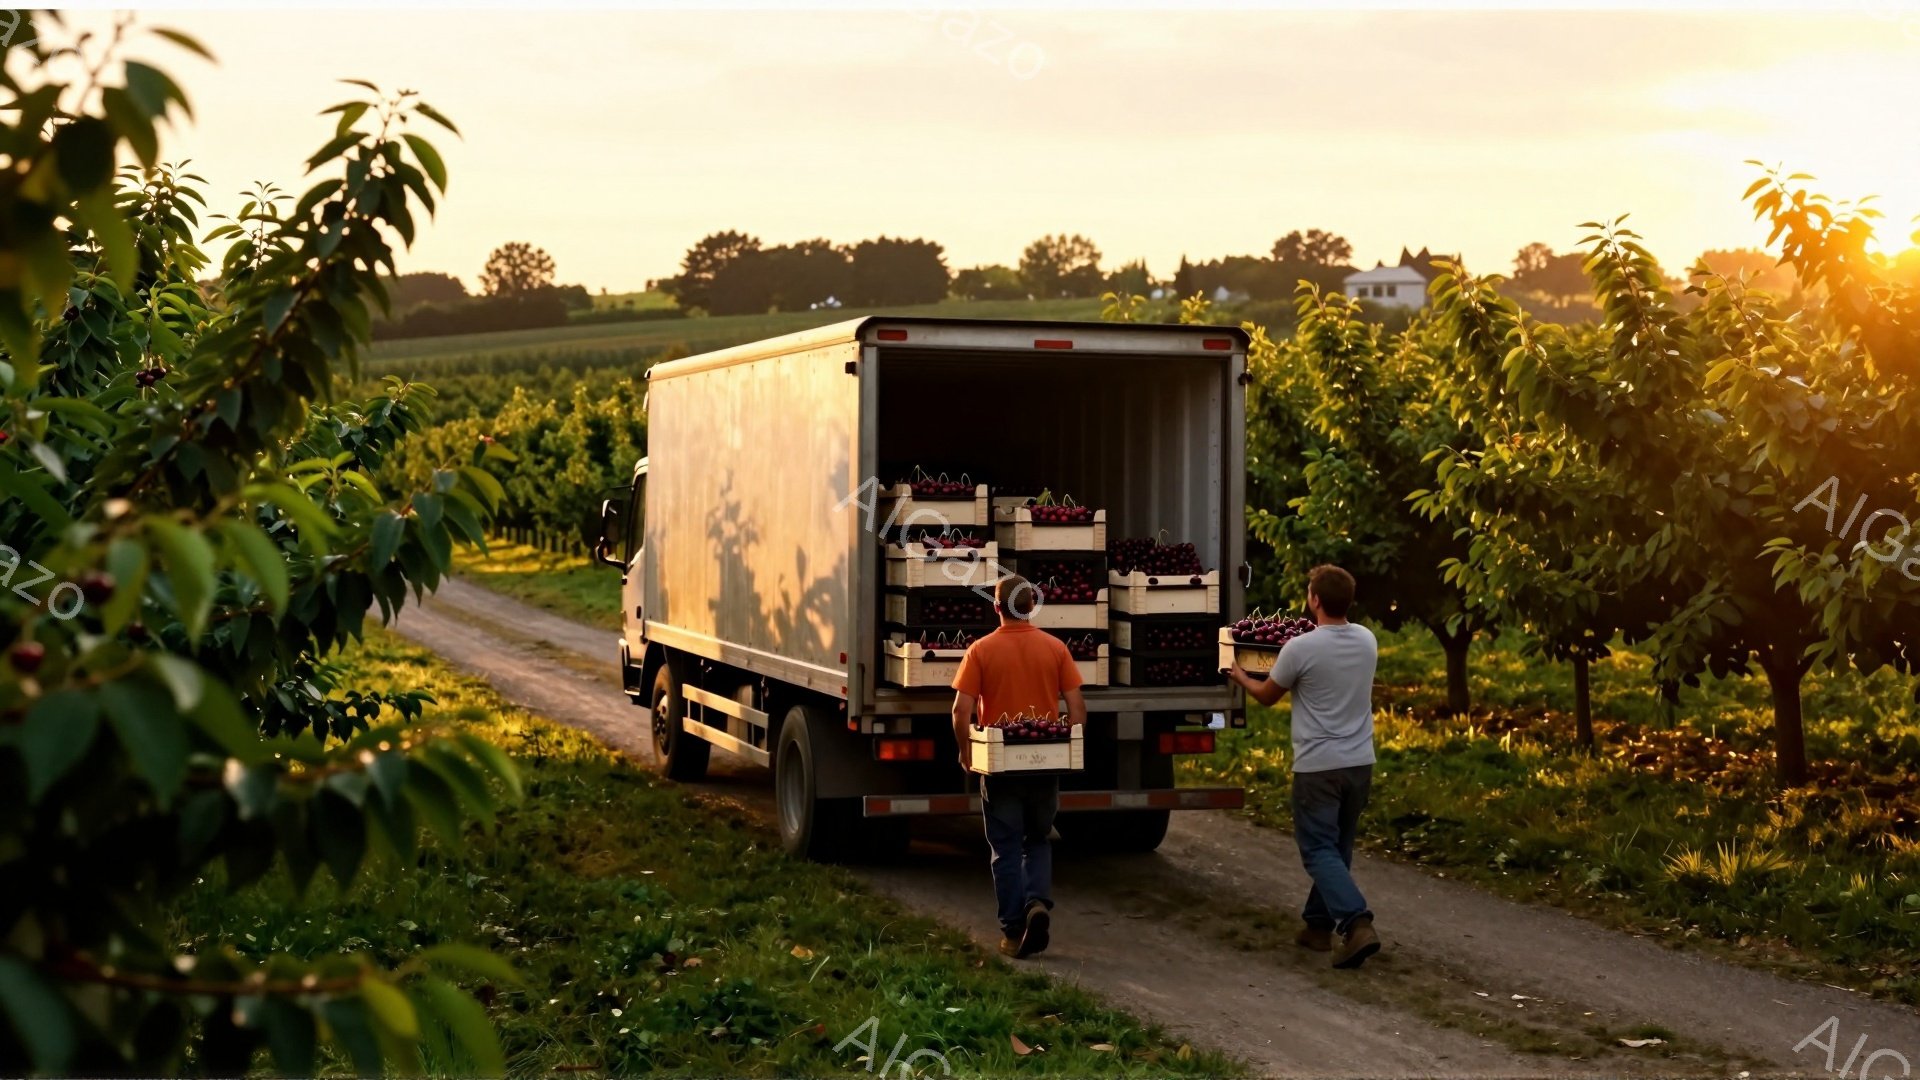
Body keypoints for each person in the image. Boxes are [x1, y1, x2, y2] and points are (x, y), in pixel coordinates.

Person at [1227, 564, 1382, 969]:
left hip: (1318, 766)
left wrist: (1238, 674)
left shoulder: (1301, 648)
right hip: (1360, 762)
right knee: (1338, 847)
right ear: (1349, 600)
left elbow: (1266, 695)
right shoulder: (1367, 640)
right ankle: (1317, 928)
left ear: (1313, 599)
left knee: (1317, 850)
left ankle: (1356, 921)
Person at [951, 573, 1087, 959]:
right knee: (1038, 838)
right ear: (1031, 607)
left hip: (1001, 765)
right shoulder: (1055, 648)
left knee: (1005, 846)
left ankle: (1013, 931)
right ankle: (1037, 903)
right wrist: (1065, 746)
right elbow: (1077, 711)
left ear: (996, 607)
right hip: (1045, 761)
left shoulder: (980, 651)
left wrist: (966, 751)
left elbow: (960, 712)